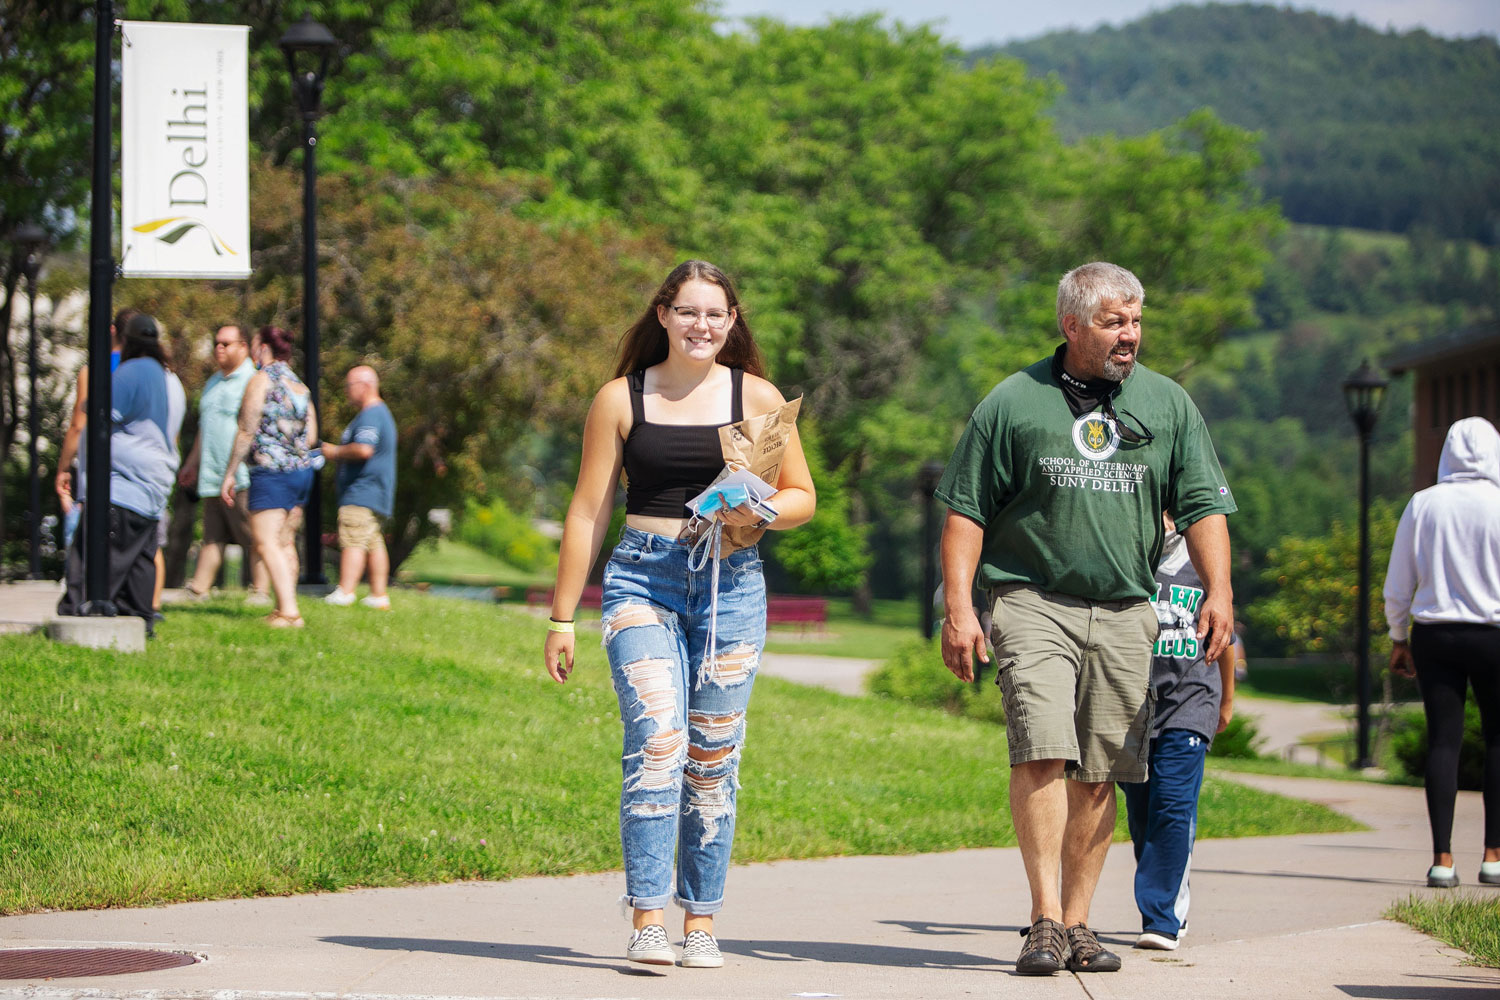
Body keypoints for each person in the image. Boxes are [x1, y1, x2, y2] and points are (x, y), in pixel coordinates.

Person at [934, 261, 1235, 976]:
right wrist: (958, 608)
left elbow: (1203, 507)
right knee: (1041, 745)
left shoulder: (1167, 404)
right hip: (1032, 598)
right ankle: (1042, 920)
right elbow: (965, 511)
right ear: (1071, 325)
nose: (1129, 335)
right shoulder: (1012, 402)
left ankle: (1078, 924)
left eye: (1135, 321)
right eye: (1112, 322)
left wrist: (1219, 591)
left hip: (1130, 607)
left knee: (1101, 771)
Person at [542, 260, 815, 969]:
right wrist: (561, 615)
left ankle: (700, 921)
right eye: (688, 312)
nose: (702, 326)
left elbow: (800, 497)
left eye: (715, 315)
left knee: (712, 757)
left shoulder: (755, 395)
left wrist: (758, 507)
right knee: (659, 742)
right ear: (662, 314)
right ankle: (647, 918)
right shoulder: (620, 398)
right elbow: (588, 507)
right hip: (642, 581)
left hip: (733, 586)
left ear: (732, 322)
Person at [1383, 416, 1500, 889]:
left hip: (1436, 633)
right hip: (1495, 633)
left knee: (1443, 742)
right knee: (1498, 741)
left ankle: (1443, 860)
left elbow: (1399, 580)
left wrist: (1397, 636)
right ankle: (1494, 856)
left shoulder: (1424, 504)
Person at [1119, 511, 1237, 952]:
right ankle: (1168, 895)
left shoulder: (1204, 562)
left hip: (1190, 699)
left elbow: (1224, 637)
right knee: (1142, 812)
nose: (1164, 519)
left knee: (1172, 804)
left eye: (1172, 510)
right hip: (1131, 705)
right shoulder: (1129, 559)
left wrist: (1225, 701)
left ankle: (1161, 917)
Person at [56, 314, 180, 635]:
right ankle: (141, 620)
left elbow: (93, 413)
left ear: (123, 340)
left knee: (95, 561)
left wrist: (67, 466)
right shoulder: (171, 379)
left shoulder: (130, 372)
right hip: (152, 488)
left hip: (120, 486)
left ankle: (79, 618)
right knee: (140, 562)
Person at [221, 326, 318, 628]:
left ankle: (289, 611)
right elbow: (311, 435)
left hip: (271, 471)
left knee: (265, 542)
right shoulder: (300, 385)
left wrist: (229, 472)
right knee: (285, 541)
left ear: (263, 348)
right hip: (301, 472)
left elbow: (247, 428)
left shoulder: (261, 380)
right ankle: (283, 608)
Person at [178, 324, 268, 602]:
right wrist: (192, 463)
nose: (219, 348)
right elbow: (206, 429)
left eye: (226, 343)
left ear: (243, 346)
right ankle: (199, 588)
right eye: (217, 342)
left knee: (251, 534)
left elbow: (252, 428)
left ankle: (260, 590)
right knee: (212, 534)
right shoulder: (213, 382)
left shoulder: (253, 380)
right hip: (212, 473)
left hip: (241, 474)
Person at [55, 307, 134, 550]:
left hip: (99, 472)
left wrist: (63, 469)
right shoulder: (155, 373)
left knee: (86, 545)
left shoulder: (94, 371)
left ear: (112, 330)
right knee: (144, 548)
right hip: (137, 474)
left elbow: (78, 425)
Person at [322, 366, 397, 609]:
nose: (346, 392)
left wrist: (332, 451)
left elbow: (364, 449)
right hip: (375, 492)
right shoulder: (379, 413)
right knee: (373, 541)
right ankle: (378, 595)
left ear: (364, 385)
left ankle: (345, 591)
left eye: (349, 386)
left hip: (363, 491)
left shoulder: (371, 414)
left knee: (353, 538)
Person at [150, 336, 187, 618]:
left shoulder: (158, 382)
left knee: (151, 540)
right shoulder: (172, 382)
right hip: (161, 469)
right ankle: (153, 603)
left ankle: (153, 604)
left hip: (148, 472)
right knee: (154, 541)